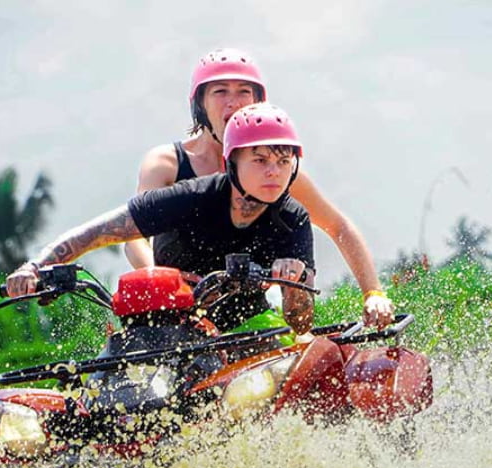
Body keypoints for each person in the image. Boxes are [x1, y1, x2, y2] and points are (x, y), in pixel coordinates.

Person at [123, 48, 394, 329]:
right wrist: (164, 284)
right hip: (175, 314)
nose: (233, 102)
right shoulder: (166, 164)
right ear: (200, 103)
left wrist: (373, 293)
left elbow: (338, 226)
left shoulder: (274, 172)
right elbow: (133, 238)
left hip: (248, 318)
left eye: (244, 92)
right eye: (220, 92)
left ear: (257, 101)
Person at [6, 103, 315, 333]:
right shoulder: (189, 197)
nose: (273, 171)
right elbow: (94, 233)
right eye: (260, 160)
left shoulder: (294, 219)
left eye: (283, 161)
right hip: (163, 327)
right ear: (231, 162)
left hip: (249, 331)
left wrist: (295, 284)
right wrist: (33, 268)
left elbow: (301, 322)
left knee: (291, 359)